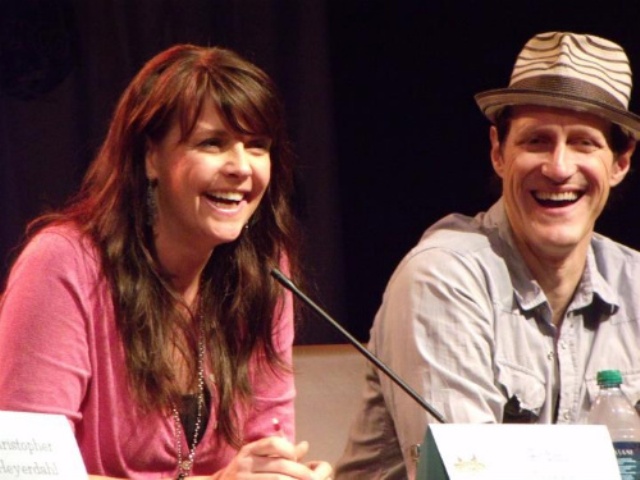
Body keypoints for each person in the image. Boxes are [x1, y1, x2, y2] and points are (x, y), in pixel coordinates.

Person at [0, 44, 333, 480]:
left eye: (257, 146)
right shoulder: (64, 265)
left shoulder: (264, 272)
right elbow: (26, 474)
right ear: (149, 157)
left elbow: (263, 449)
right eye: (212, 143)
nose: (241, 167)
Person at [334, 31, 640, 479]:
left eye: (583, 143)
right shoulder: (441, 278)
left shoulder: (634, 283)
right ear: (498, 152)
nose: (558, 168)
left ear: (620, 162)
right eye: (536, 141)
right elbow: (472, 474)